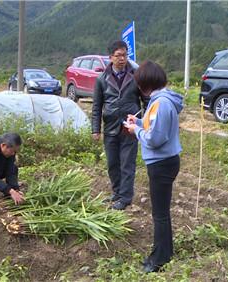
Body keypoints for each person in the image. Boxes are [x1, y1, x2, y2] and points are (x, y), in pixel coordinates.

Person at [124, 61, 183, 273]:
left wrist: (135, 131)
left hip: (161, 163)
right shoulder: (161, 101)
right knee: (161, 211)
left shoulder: (161, 103)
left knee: (159, 213)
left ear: (146, 83)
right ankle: (165, 252)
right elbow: (155, 127)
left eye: (139, 83)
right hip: (165, 161)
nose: (139, 88)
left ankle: (159, 260)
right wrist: (139, 123)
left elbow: (155, 139)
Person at [92, 40, 150, 210]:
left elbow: (146, 100)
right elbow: (96, 106)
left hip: (129, 126)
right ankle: (117, 192)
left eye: (125, 55)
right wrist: (96, 129)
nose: (122, 59)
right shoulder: (102, 79)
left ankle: (125, 198)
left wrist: (145, 123)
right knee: (112, 163)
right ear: (110, 57)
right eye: (118, 56)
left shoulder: (136, 76)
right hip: (110, 127)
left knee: (127, 163)